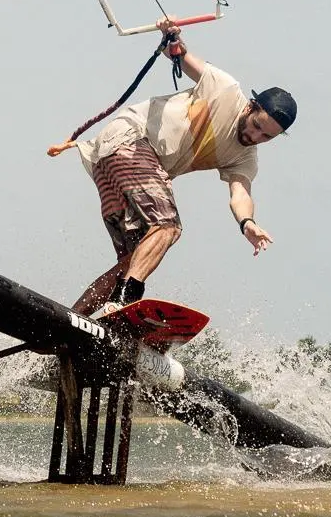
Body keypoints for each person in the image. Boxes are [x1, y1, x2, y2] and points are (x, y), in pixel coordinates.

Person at [70, 17, 297, 315]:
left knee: (138, 257)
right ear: (250, 107)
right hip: (131, 140)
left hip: (112, 163)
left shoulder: (245, 156)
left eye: (266, 137)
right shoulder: (226, 90)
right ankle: (124, 303)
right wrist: (173, 39)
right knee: (166, 226)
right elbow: (182, 57)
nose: (254, 136)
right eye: (256, 126)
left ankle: (71, 321)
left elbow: (240, 194)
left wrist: (247, 223)